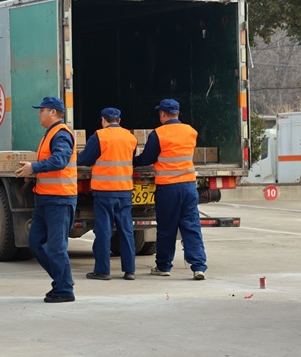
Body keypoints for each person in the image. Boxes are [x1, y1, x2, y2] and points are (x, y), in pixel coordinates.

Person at [133, 98, 207, 280]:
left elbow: (147, 158)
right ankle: (198, 267)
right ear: (178, 113)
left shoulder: (159, 134)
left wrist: (130, 161)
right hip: (189, 186)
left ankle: (164, 266)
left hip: (168, 188)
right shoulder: (190, 131)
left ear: (163, 114)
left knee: (167, 228)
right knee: (191, 226)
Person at [14, 96, 78, 303]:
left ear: (53, 112)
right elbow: (49, 163)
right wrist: (32, 172)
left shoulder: (61, 134)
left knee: (56, 247)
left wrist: (34, 167)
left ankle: (64, 289)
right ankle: (63, 281)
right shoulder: (49, 134)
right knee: (35, 242)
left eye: (41, 110)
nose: (39, 114)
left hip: (59, 199)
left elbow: (60, 160)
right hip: (45, 198)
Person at [77, 107, 138, 281]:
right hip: (124, 190)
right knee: (126, 230)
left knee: (104, 231)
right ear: (119, 121)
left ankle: (103, 271)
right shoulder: (130, 137)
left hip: (104, 192)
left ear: (103, 120)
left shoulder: (99, 136)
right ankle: (130, 270)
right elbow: (131, 158)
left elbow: (85, 159)